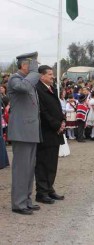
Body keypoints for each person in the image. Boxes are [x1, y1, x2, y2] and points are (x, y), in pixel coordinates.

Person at [7, 52, 41, 215]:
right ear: (25, 65)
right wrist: (35, 73)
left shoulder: (29, 80)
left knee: (29, 168)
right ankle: (18, 203)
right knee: (21, 169)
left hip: (30, 131)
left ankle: (26, 200)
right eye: (33, 64)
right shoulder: (15, 79)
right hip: (21, 132)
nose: (36, 68)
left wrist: (33, 73)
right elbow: (25, 87)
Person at [35, 65, 65, 204]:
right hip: (46, 132)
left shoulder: (51, 88)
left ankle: (49, 188)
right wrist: (56, 125)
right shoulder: (38, 90)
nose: (52, 76)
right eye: (49, 74)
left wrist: (62, 121)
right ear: (42, 76)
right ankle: (41, 192)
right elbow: (43, 112)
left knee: (52, 163)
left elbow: (57, 107)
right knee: (43, 163)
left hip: (55, 132)